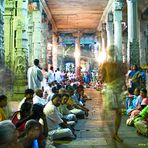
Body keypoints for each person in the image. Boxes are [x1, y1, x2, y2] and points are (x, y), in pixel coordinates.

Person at [100, 45, 127, 143]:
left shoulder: (119, 64)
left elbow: (123, 76)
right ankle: (107, 126)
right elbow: (102, 78)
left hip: (118, 89)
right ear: (108, 52)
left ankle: (115, 133)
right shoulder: (105, 64)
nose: (112, 52)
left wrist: (124, 86)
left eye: (113, 50)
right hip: (110, 89)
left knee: (118, 112)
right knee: (108, 112)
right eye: (111, 50)